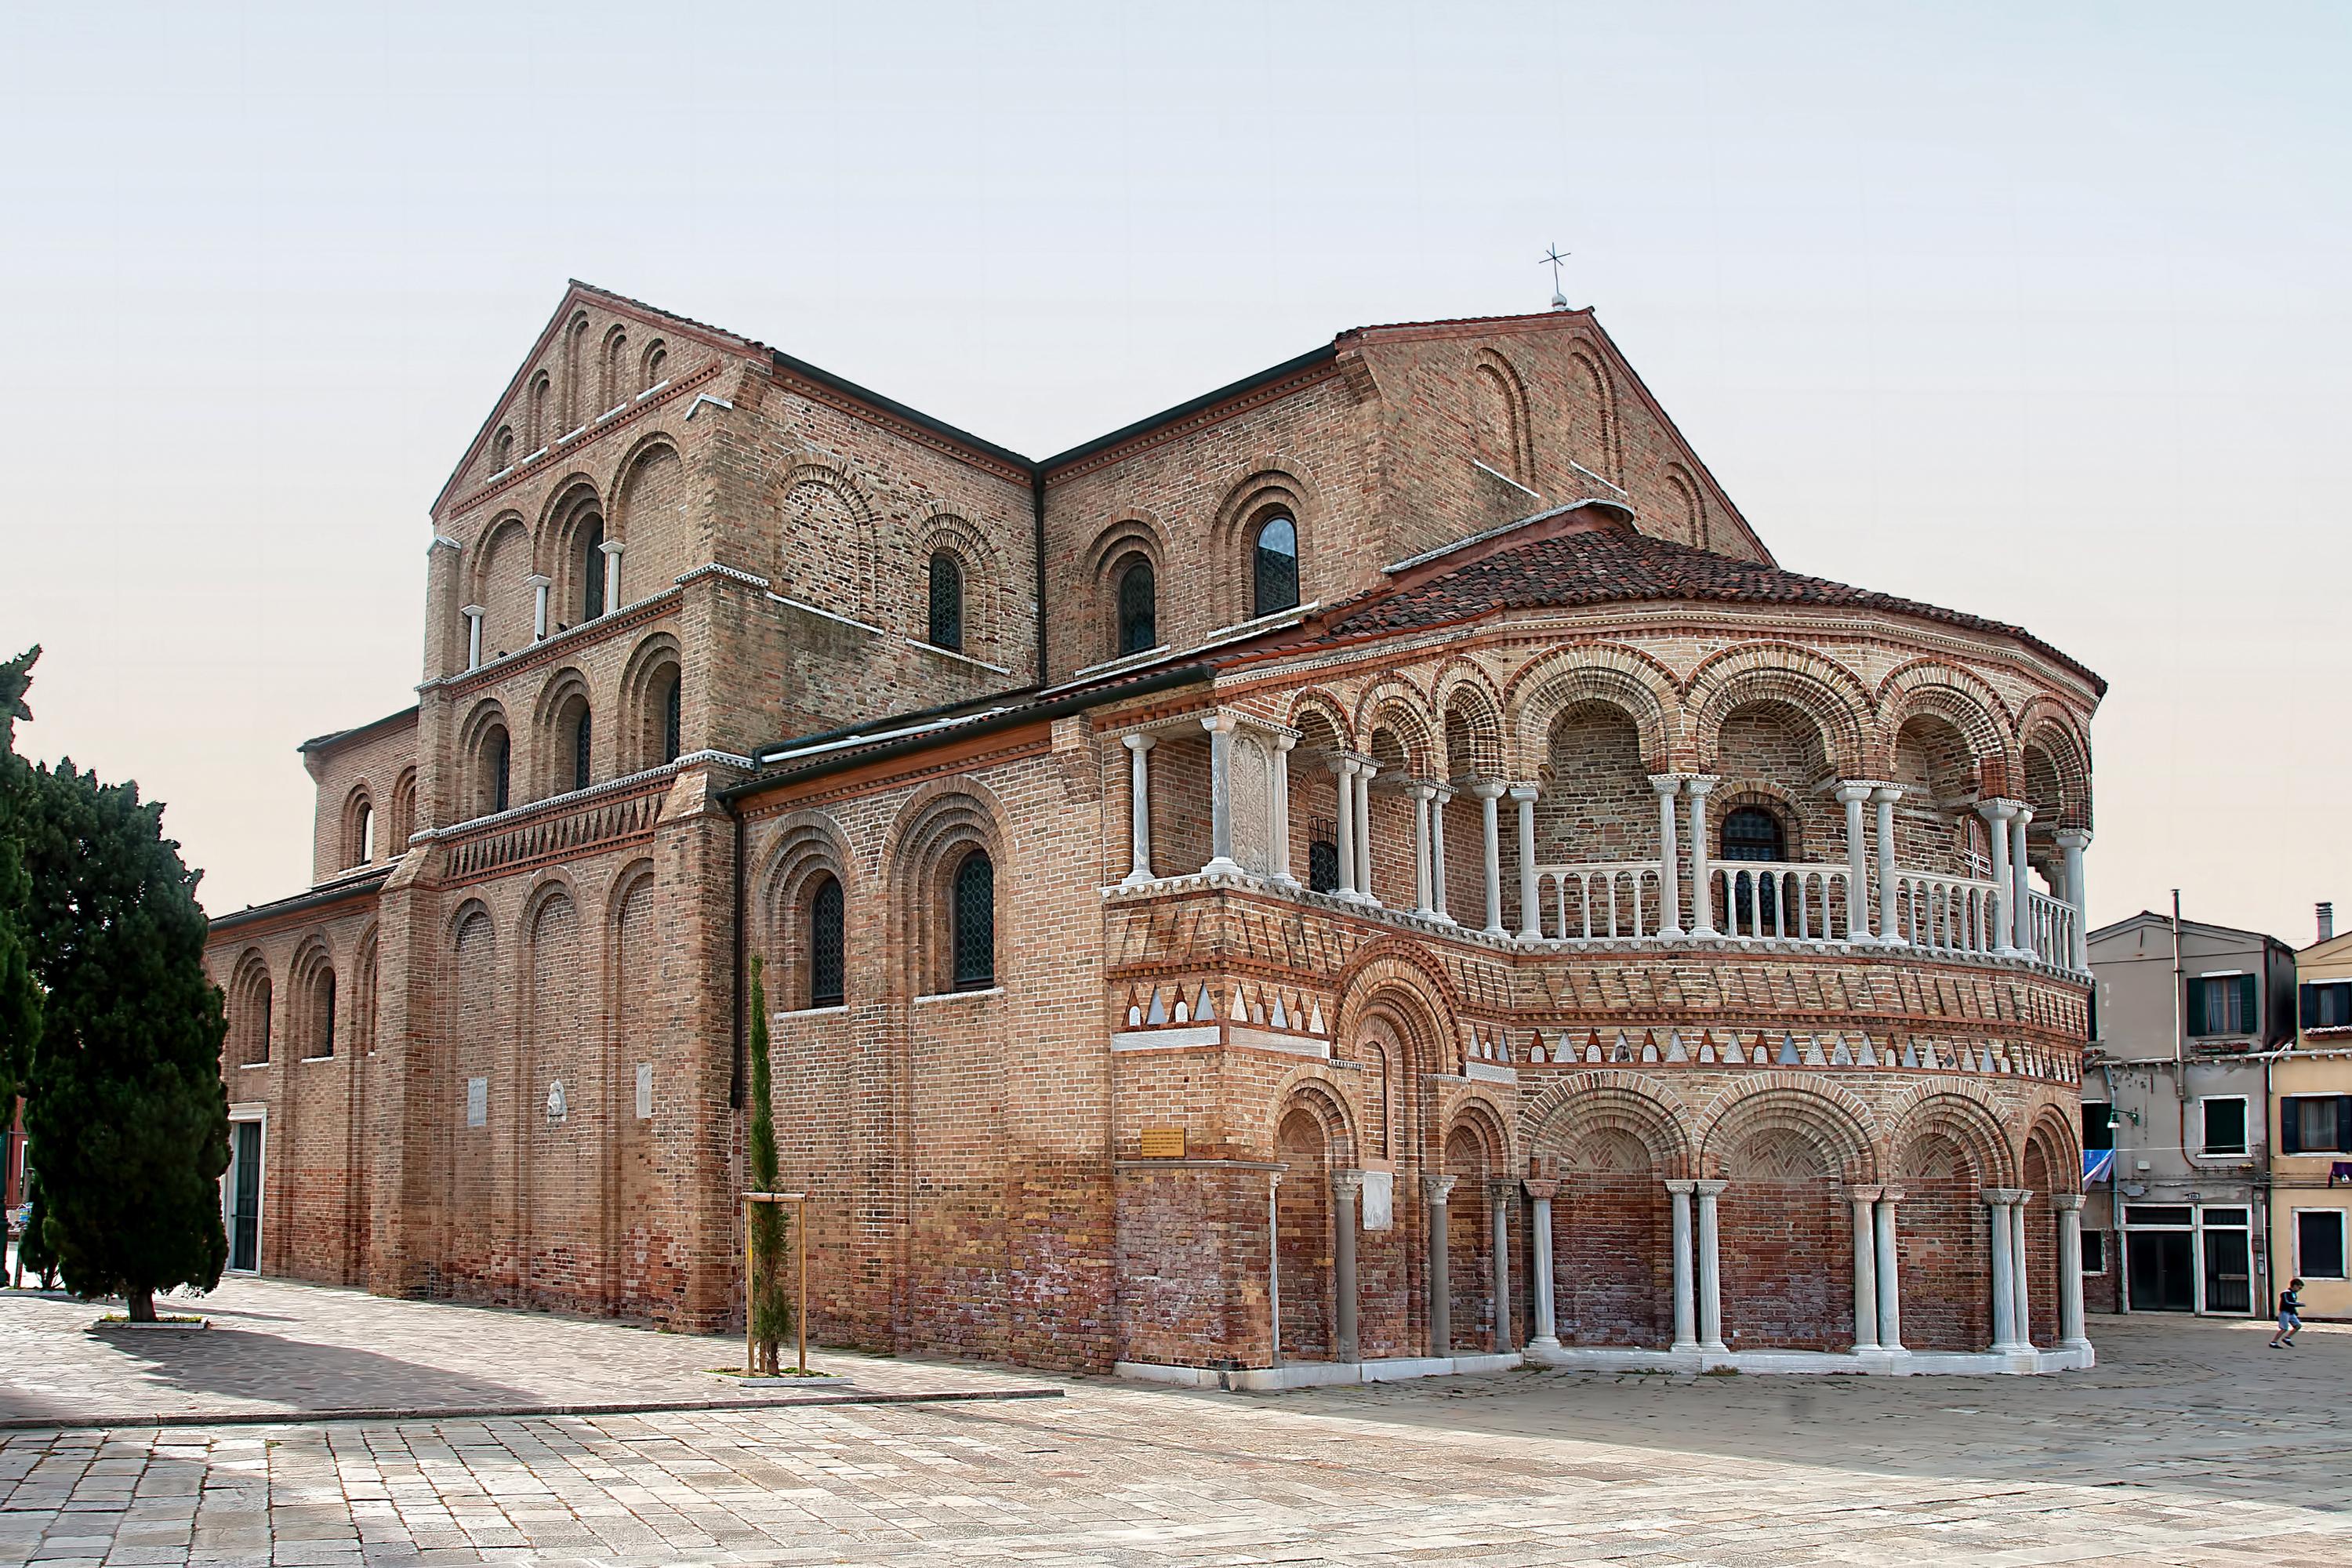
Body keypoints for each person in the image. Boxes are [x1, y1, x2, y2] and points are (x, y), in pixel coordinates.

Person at [2270, 1279, 2304, 1348]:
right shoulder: (2286, 1293)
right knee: (2284, 1328)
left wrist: (2295, 1311)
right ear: (2294, 1286)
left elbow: (2292, 1304)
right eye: (2299, 1288)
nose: (2300, 1289)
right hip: (2284, 1312)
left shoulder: (2294, 1294)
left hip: (2291, 1313)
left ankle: (2287, 1338)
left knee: (2298, 1326)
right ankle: (2273, 1342)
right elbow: (2287, 1303)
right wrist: (2298, 1304)